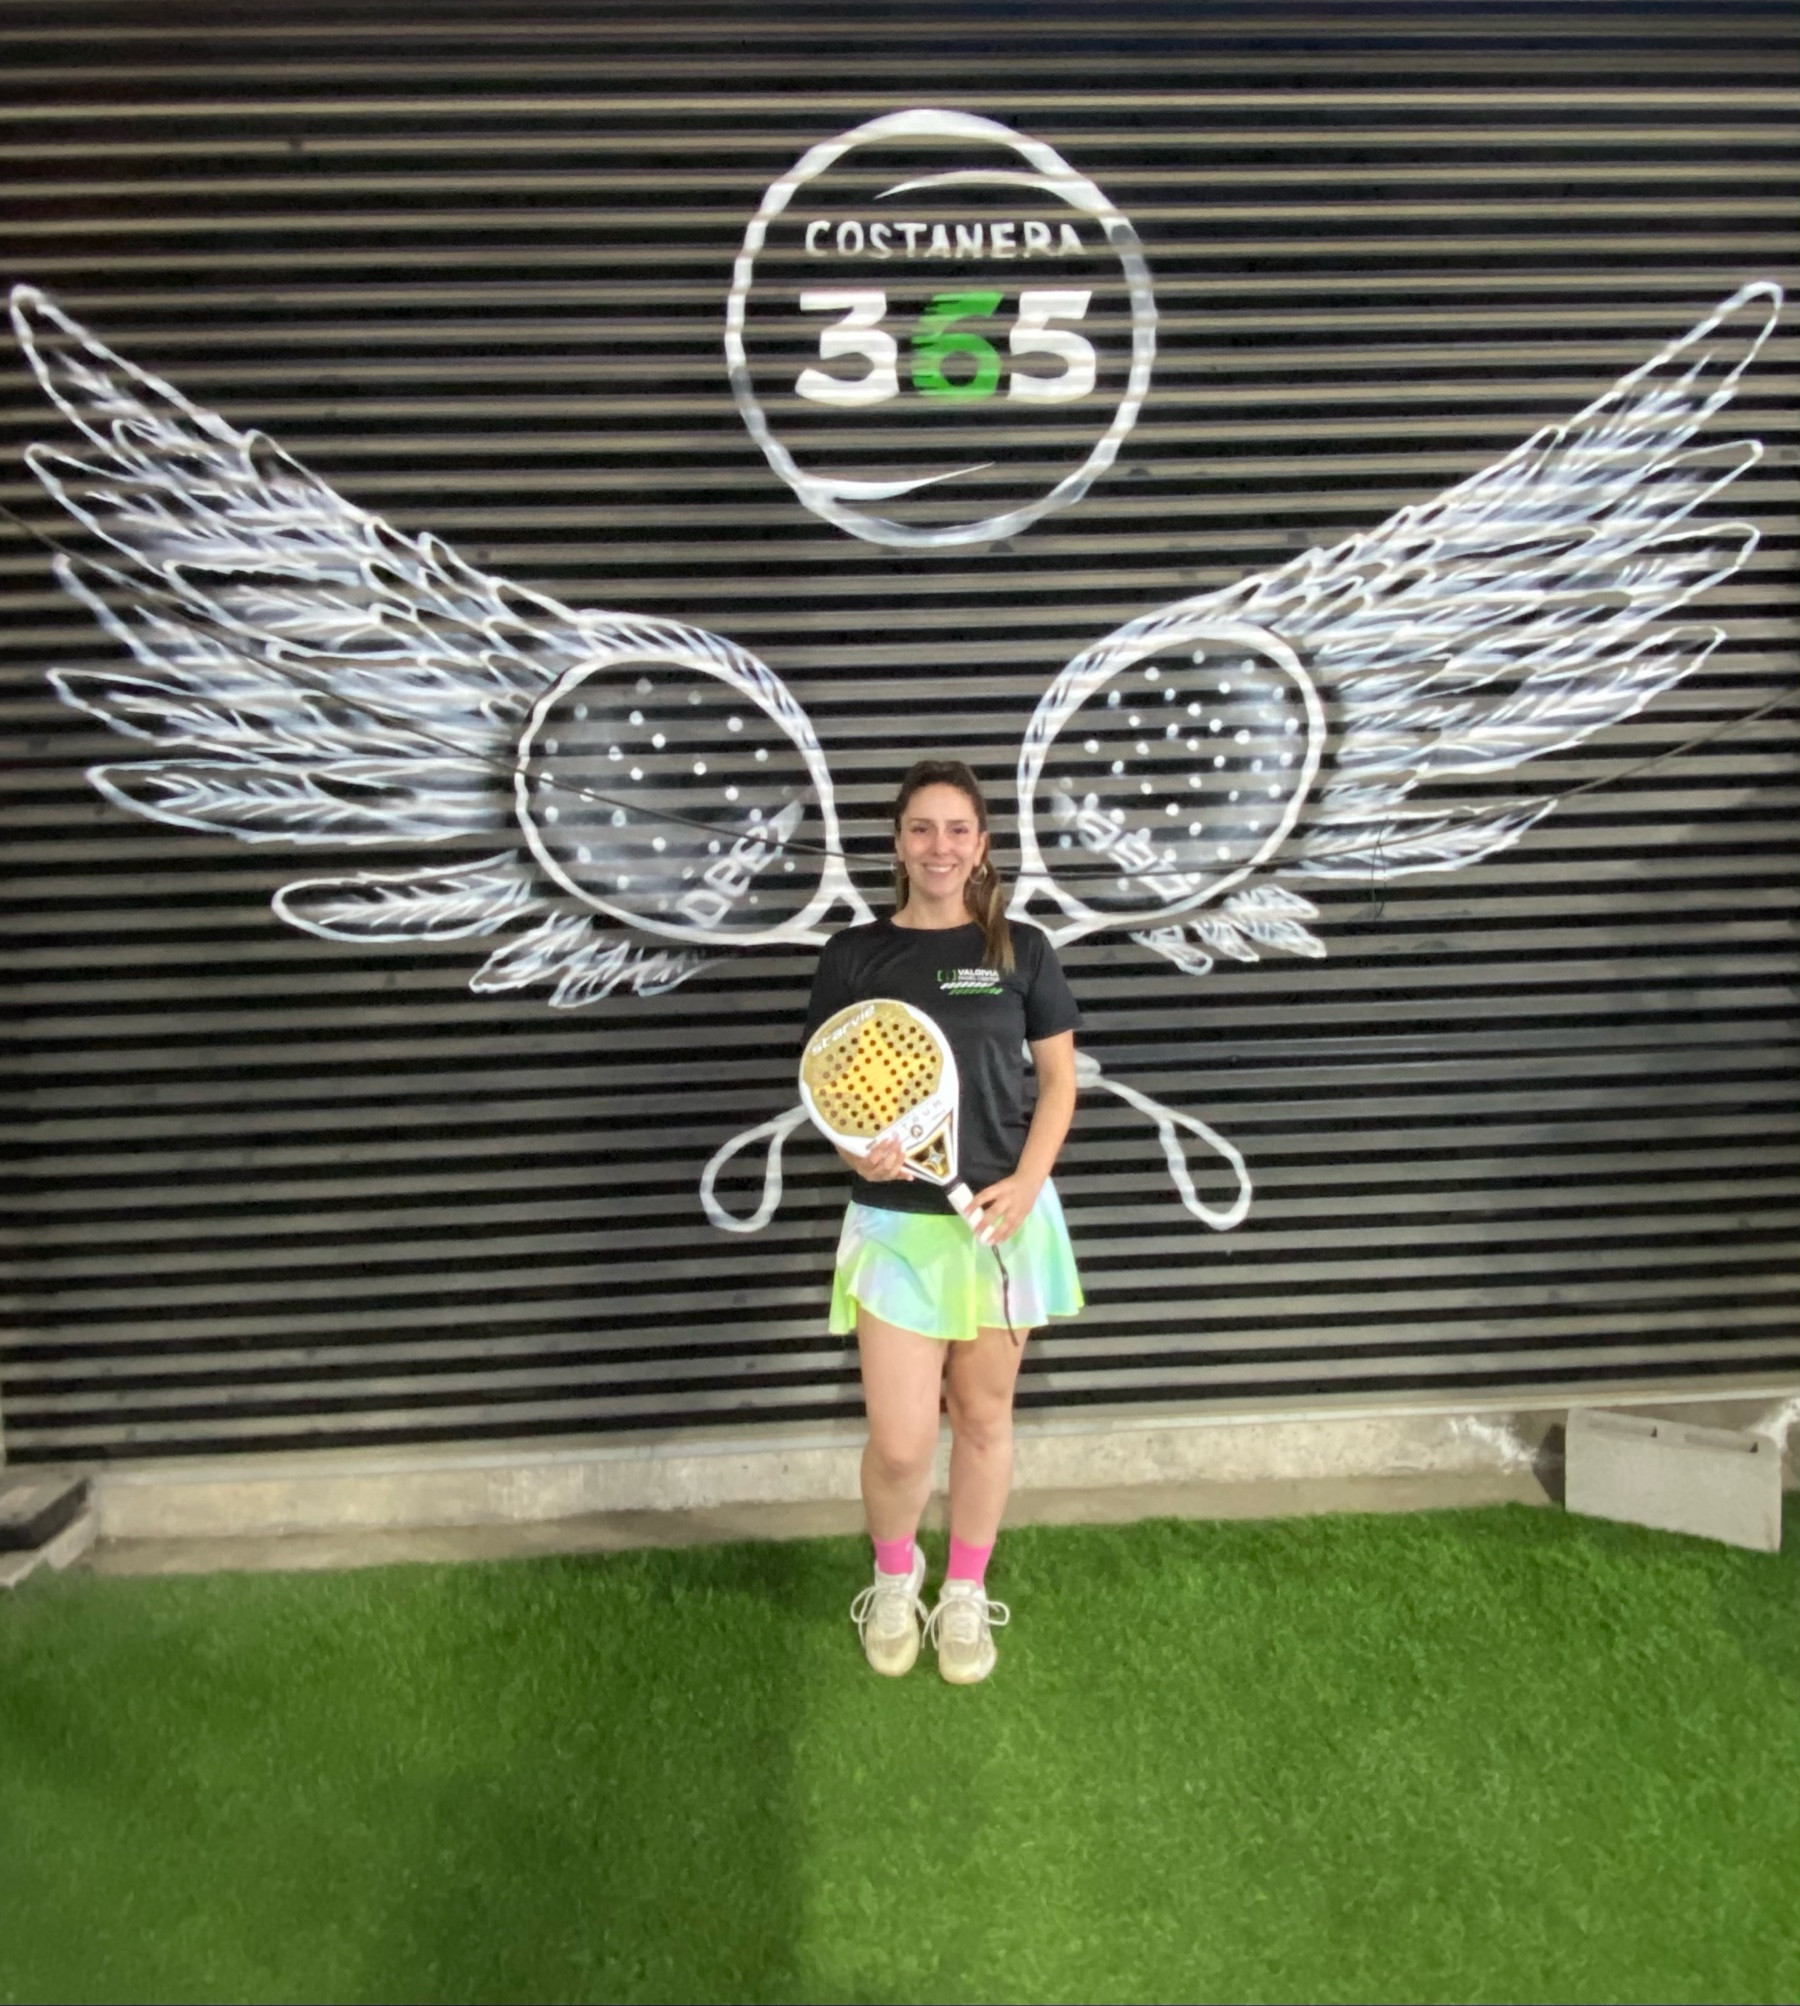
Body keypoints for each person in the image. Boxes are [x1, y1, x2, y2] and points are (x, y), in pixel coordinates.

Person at [802, 758, 1083, 1684]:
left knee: (984, 1419)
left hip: (1001, 1224)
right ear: (897, 843)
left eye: (957, 829)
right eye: (921, 828)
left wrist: (1028, 1184)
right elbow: (832, 1088)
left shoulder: (1023, 951)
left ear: (983, 845)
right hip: (896, 1223)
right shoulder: (852, 957)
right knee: (900, 1442)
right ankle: (896, 1576)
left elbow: (1059, 1084)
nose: (939, 846)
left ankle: (963, 1590)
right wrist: (858, 1155)